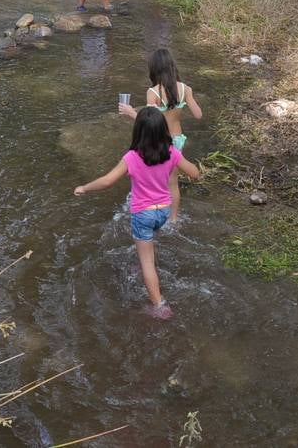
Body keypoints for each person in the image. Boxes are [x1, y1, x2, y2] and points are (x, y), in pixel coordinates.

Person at [73, 106, 203, 320]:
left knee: (147, 264)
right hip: (163, 211)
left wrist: (84, 188)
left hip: (143, 214)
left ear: (138, 131)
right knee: (148, 246)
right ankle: (144, 262)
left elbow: (107, 181)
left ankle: (159, 306)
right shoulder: (171, 153)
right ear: (163, 130)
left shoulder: (132, 157)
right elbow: (195, 174)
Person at [118, 48, 203, 225]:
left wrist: (130, 111)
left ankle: (149, 206)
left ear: (154, 69)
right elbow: (198, 115)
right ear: (172, 66)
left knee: (151, 174)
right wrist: (188, 99)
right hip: (177, 140)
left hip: (160, 139)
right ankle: (172, 219)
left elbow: (149, 121)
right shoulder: (185, 89)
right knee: (172, 182)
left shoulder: (154, 92)